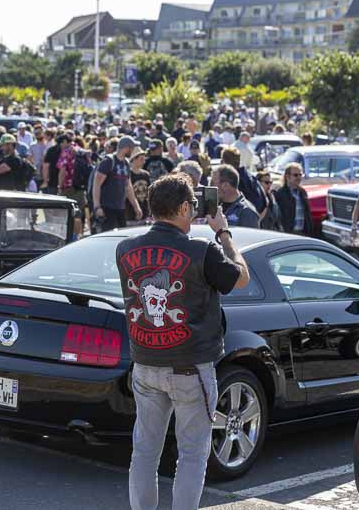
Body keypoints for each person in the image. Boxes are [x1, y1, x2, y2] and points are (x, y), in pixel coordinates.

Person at [115, 173, 249, 510]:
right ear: (186, 207)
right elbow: (241, 277)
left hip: (145, 362)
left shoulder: (125, 248)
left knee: (145, 451)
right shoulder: (202, 249)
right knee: (192, 454)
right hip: (191, 367)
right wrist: (223, 232)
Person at [93, 136, 142, 232]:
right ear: (127, 148)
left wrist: (136, 206)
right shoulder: (108, 161)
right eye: (132, 148)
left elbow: (128, 187)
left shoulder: (126, 163)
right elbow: (96, 184)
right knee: (106, 237)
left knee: (121, 236)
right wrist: (97, 206)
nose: (133, 151)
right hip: (106, 208)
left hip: (120, 208)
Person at [57, 141, 90, 238]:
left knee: (66, 213)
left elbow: (62, 171)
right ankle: (77, 236)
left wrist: (60, 186)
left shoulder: (66, 152)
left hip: (67, 188)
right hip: (80, 188)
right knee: (78, 214)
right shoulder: (82, 153)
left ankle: (66, 236)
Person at [220, 147, 266, 214]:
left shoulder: (233, 181)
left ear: (224, 162)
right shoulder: (250, 177)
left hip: (241, 221)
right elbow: (264, 202)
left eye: (222, 161)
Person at [274, 162, 314, 236]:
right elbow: (277, 217)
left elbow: (307, 215)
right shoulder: (280, 193)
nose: (299, 177)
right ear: (287, 177)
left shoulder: (302, 192)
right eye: (295, 175)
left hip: (303, 233)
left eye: (300, 175)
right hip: (288, 234)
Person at [127, 150, 151, 225]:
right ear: (134, 159)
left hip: (144, 212)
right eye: (141, 159)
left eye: (144, 159)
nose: (144, 162)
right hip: (130, 213)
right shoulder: (128, 174)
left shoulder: (146, 174)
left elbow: (148, 193)